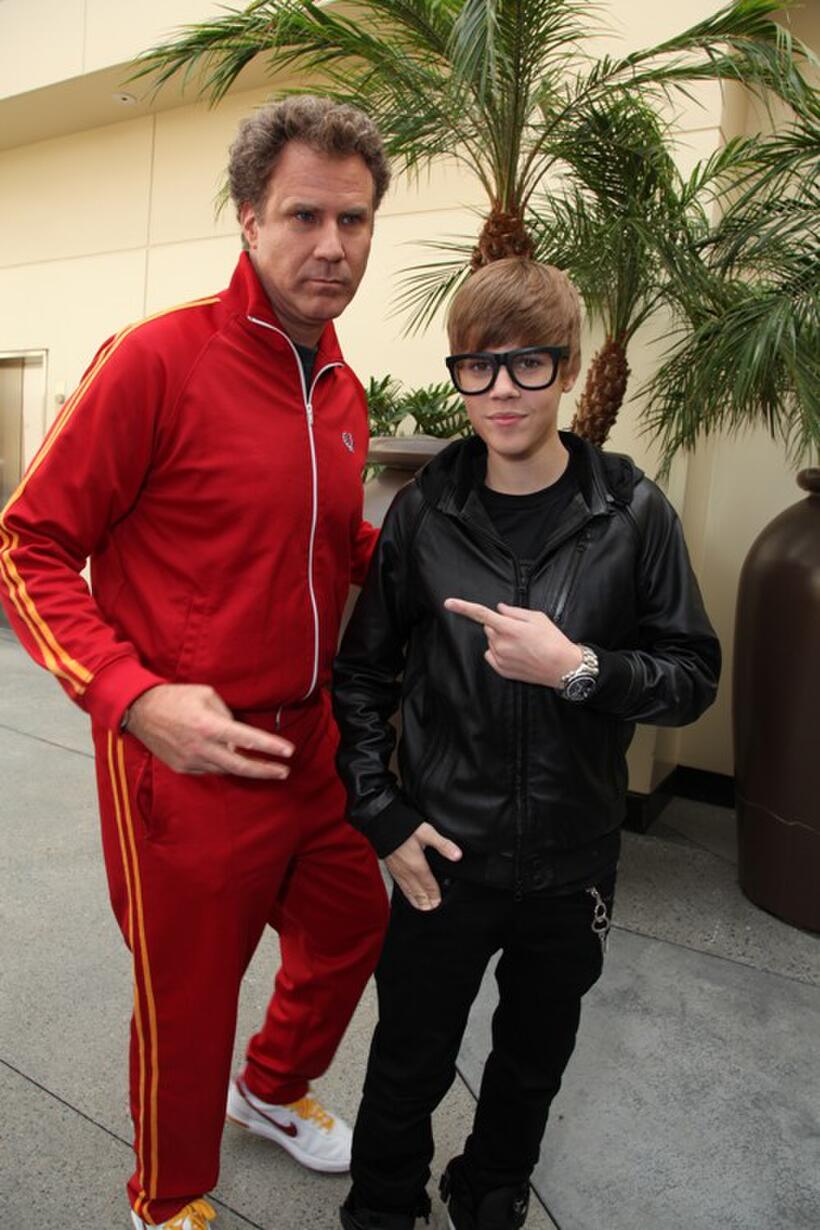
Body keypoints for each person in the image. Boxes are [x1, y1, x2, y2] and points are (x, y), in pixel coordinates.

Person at [0, 96, 392, 1230]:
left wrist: (452, 563)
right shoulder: (158, 359)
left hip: (310, 741)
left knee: (351, 923)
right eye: (305, 216)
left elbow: (328, 544)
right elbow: (27, 544)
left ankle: (269, 1089)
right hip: (185, 757)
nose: (333, 245)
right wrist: (134, 699)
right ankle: (167, 1201)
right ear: (249, 219)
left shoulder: (342, 389)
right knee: (188, 998)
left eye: (355, 219)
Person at [332, 257, 721, 1230]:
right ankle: (381, 1207)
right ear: (459, 373)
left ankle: (491, 1190)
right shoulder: (424, 514)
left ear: (568, 366)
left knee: (532, 1059)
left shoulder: (629, 512)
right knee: (408, 1057)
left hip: (571, 859)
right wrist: (382, 814)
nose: (501, 390)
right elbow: (363, 676)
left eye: (528, 364)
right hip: (443, 853)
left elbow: (691, 675)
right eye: (478, 366)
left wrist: (580, 668)